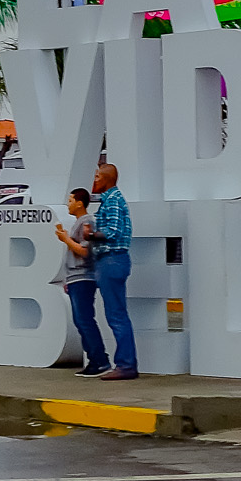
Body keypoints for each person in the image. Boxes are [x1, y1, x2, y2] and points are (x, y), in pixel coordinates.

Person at [83, 160, 138, 380]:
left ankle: (125, 365)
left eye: (96, 177)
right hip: (110, 260)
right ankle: (125, 364)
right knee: (116, 314)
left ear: (106, 179)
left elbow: (113, 231)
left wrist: (90, 235)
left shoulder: (113, 200)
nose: (93, 181)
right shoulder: (110, 200)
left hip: (112, 259)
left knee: (116, 315)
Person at [53, 187, 110, 376]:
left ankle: (99, 360)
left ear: (79, 203)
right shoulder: (81, 222)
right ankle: (96, 360)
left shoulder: (87, 222)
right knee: (81, 320)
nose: (68, 205)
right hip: (77, 277)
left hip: (83, 277)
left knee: (84, 320)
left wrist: (65, 239)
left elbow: (85, 251)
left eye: (70, 201)